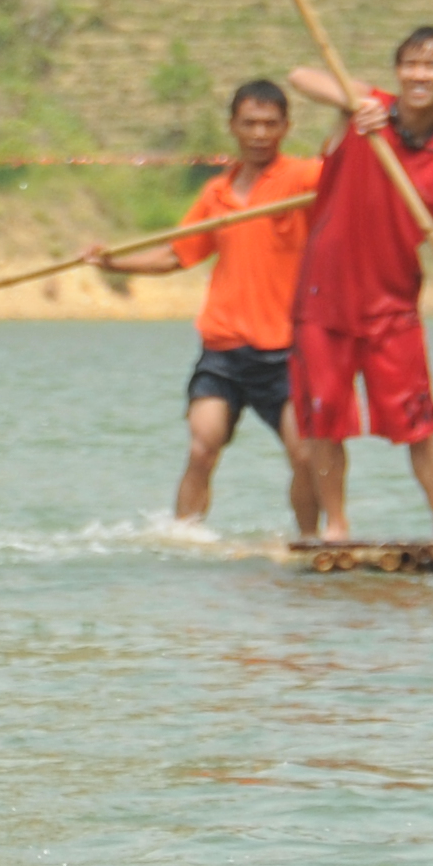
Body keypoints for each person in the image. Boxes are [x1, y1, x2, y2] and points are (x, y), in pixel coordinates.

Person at [85, 80, 324, 533]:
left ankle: (313, 544)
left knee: (306, 453)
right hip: (225, 347)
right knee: (201, 448)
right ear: (233, 126)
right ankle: (183, 536)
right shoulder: (217, 194)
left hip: (286, 350)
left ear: (286, 127)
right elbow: (176, 255)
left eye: (270, 125)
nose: (259, 134)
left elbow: (346, 177)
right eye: (250, 123)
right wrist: (114, 261)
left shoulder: (303, 179)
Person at [287, 27, 433, 543]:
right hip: (322, 299)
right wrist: (356, 104)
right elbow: (300, 77)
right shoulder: (366, 109)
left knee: (419, 425)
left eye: (432, 67)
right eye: (410, 65)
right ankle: (336, 527)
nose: (419, 75)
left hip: (392, 305)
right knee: (324, 422)